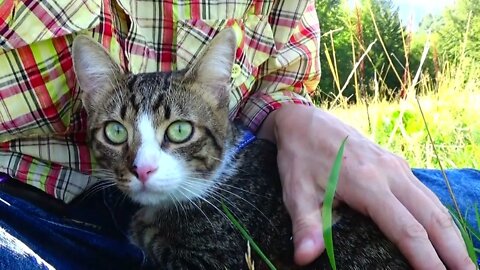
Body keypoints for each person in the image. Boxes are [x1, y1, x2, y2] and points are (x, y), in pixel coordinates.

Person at [0, 0, 477, 269]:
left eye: (177, 131)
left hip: (237, 184)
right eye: (117, 133)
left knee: (465, 202)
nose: (141, 163)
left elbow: (282, 78)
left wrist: (293, 114)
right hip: (30, 212)